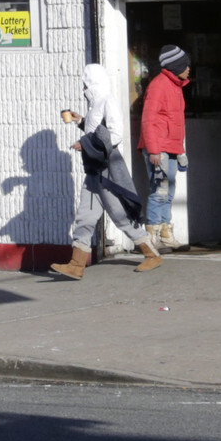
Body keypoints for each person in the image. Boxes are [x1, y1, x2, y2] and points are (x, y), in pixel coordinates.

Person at [50, 64, 163, 279]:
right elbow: (97, 132)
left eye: (86, 83)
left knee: (119, 217)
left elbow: (115, 135)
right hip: (95, 170)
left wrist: (85, 144)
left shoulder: (107, 101)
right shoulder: (95, 104)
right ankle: (76, 264)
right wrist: (80, 121)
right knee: (85, 216)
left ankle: (152, 254)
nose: (84, 87)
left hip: (106, 171)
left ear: (92, 82)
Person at [139, 44, 190, 251]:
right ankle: (152, 236)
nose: (189, 69)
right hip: (158, 149)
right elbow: (148, 120)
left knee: (168, 192)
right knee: (159, 190)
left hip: (169, 148)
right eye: (185, 65)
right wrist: (153, 150)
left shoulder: (176, 87)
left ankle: (166, 234)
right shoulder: (159, 86)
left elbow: (176, 122)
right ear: (175, 65)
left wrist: (181, 151)